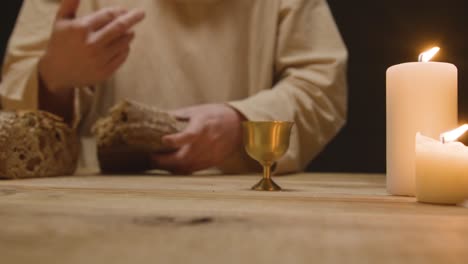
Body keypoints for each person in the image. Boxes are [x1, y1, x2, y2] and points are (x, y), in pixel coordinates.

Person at [0, 0, 348, 174]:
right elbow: (18, 116)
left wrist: (240, 124)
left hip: (235, 194)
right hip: (85, 197)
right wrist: (54, 77)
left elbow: (322, 87)